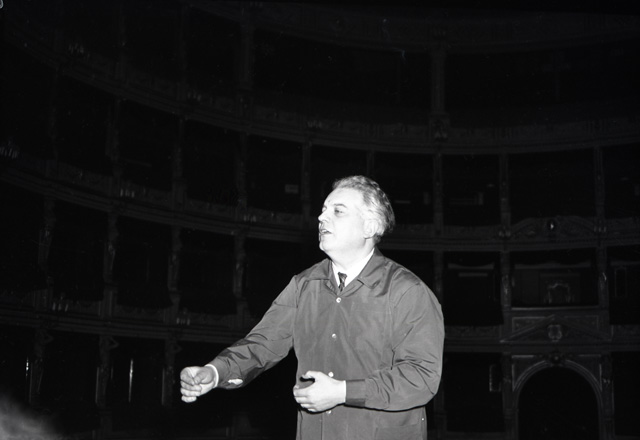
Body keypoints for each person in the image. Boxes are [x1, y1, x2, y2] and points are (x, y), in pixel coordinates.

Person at [180, 175, 444, 440]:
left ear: (370, 227)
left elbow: (422, 377)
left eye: (338, 211)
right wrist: (215, 372)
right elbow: (262, 344)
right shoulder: (303, 285)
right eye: (323, 210)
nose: (321, 217)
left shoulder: (408, 291)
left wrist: (343, 392)